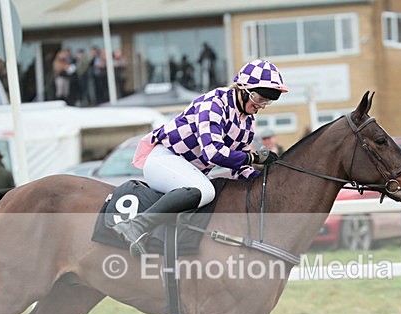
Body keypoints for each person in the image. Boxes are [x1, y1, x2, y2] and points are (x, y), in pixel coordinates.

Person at [112, 59, 288, 257]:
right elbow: (214, 153)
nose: (262, 105)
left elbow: (239, 166)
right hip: (164, 160)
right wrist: (254, 157)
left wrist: (262, 180)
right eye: (259, 98)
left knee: (214, 194)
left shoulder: (247, 121)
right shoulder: (214, 103)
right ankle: (137, 225)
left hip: (189, 170)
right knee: (205, 190)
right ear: (242, 89)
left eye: (267, 101)